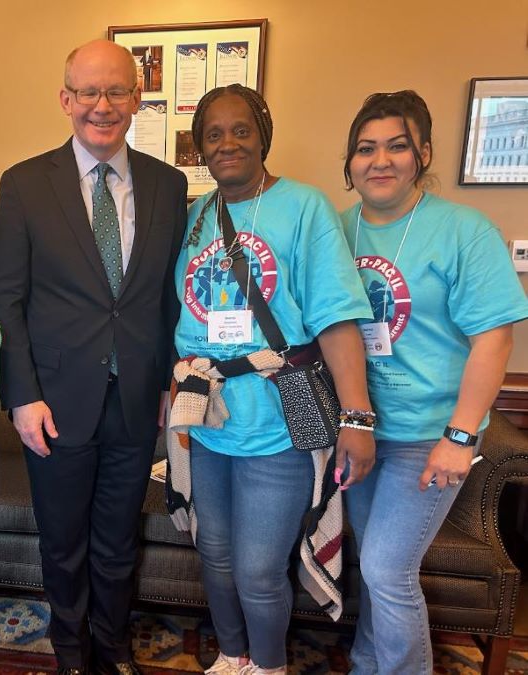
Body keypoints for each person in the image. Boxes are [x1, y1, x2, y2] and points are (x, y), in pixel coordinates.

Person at [0, 39, 188, 675]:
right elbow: (4, 299)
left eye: (117, 91)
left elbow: (166, 297)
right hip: (53, 402)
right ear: (66, 99)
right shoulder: (23, 185)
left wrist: (165, 385)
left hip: (136, 401)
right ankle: (71, 654)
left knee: (117, 541)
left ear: (136, 97)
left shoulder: (169, 185)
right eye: (90, 93)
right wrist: (20, 395)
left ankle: (113, 647)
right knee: (65, 543)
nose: (104, 106)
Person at [173, 85, 375, 675]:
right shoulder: (197, 216)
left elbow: (337, 316)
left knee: (260, 568)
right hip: (209, 419)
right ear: (200, 148)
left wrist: (356, 418)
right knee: (212, 552)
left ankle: (267, 665)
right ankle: (232, 655)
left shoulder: (305, 207)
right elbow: (184, 315)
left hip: (279, 418)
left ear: (264, 134)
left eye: (241, 130)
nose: (228, 143)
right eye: (214, 134)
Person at [339, 90, 528, 675]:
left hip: (427, 436)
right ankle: (370, 663)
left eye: (397, 145)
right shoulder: (334, 229)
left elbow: (493, 340)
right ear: (349, 162)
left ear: (422, 152)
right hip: (360, 429)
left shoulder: (462, 230)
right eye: (366, 148)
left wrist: (461, 436)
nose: (380, 160)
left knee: (386, 569)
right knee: (370, 562)